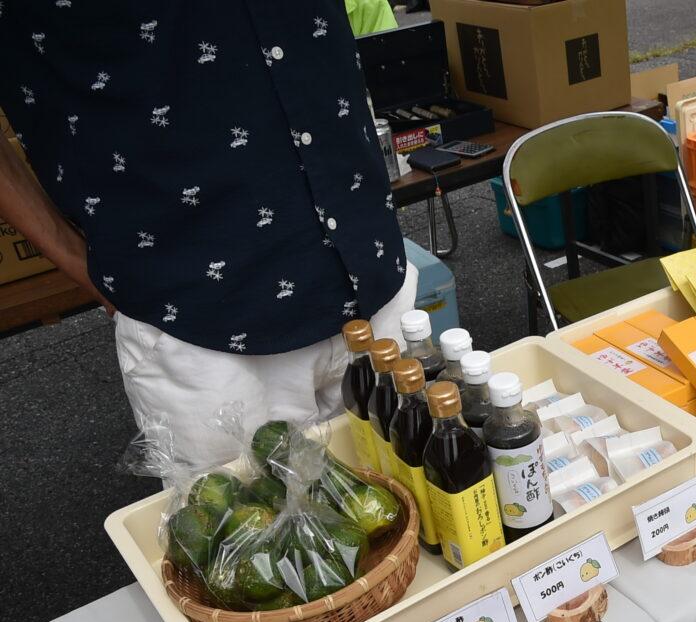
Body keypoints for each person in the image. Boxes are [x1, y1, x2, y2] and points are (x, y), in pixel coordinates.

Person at [0, 2, 417, 465]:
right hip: (195, 319)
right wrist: (76, 259)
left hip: (371, 264)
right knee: (247, 512)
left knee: (427, 499)